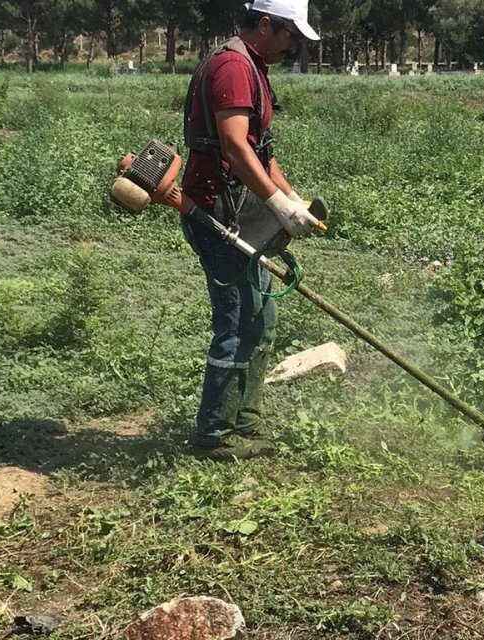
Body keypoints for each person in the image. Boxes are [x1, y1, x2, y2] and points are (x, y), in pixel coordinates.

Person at [180, 0, 321, 461]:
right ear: (265, 25)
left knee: (261, 320)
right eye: (290, 36)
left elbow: (261, 152)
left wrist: (292, 200)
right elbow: (235, 147)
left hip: (241, 209)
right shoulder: (234, 66)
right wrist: (276, 203)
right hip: (217, 210)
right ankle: (214, 434)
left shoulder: (254, 65)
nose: (294, 45)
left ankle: (244, 421)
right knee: (237, 320)